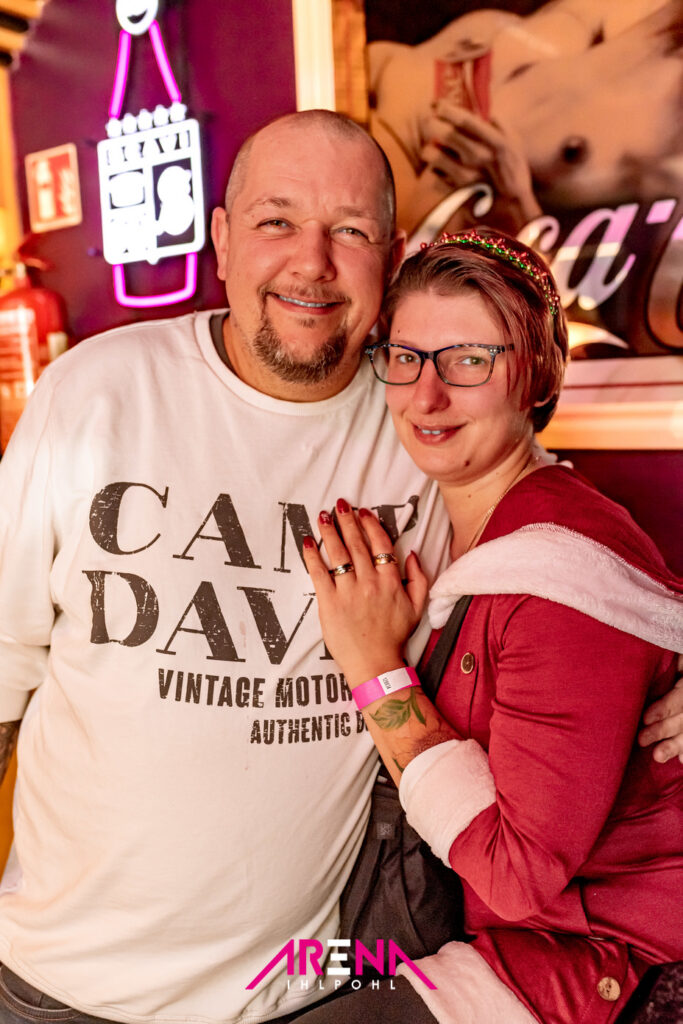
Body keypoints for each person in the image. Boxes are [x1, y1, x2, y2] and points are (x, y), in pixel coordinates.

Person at [0, 112, 680, 1024]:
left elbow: (586, 573)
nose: (311, 262)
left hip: (312, 977)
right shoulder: (96, 390)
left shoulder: (422, 427)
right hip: (64, 980)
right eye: (276, 220)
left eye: (349, 230)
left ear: (389, 260)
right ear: (222, 239)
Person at [300, 229, 683, 1024]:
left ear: (535, 374)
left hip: (605, 962)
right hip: (484, 929)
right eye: (405, 357)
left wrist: (372, 666)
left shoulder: (560, 578)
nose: (425, 397)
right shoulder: (444, 519)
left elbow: (516, 874)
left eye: (468, 361)